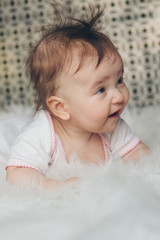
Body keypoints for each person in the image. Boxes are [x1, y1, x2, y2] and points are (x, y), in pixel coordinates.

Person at [6, 5, 149, 189]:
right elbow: (17, 175)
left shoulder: (111, 126)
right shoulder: (41, 134)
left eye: (119, 80)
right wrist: (56, 187)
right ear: (61, 107)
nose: (119, 97)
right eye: (101, 90)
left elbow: (139, 155)